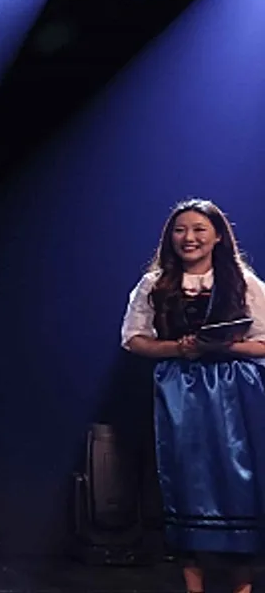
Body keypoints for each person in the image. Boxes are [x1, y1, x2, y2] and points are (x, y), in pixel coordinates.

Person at [122, 199, 265, 593]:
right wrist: (179, 349)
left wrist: (222, 346)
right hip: (180, 389)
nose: (190, 237)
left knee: (237, 482)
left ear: (218, 236)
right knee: (187, 481)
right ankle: (193, 585)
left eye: (199, 229)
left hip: (234, 392)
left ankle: (242, 586)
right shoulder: (155, 284)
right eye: (181, 229)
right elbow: (133, 339)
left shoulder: (243, 283)